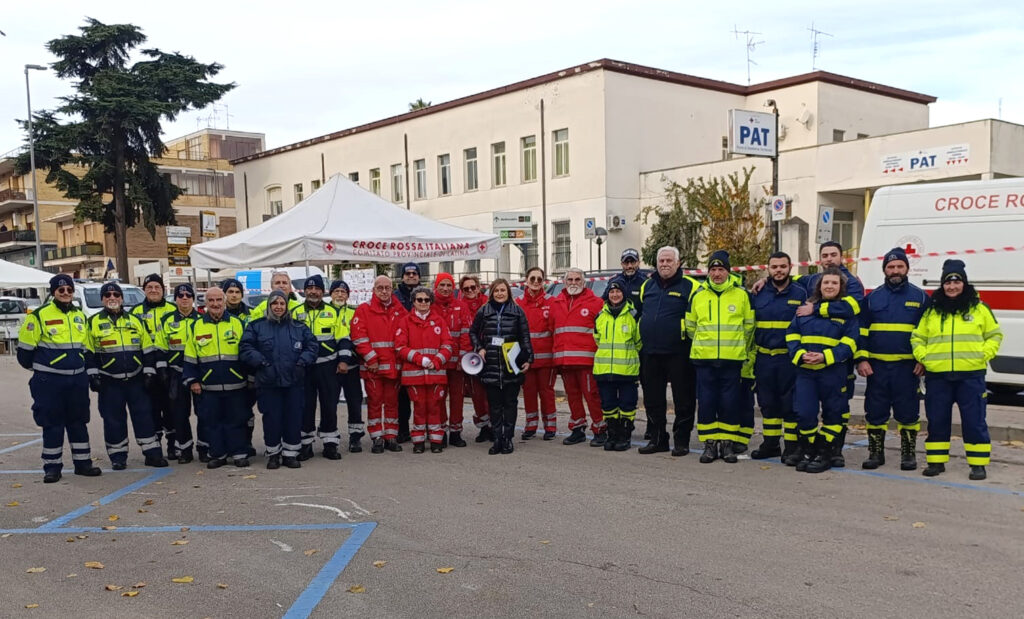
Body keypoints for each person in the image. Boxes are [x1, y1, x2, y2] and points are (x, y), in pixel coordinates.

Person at [911, 259, 1002, 481]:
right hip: (938, 376)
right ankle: (936, 461)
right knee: (937, 419)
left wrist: (983, 354)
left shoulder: (979, 309)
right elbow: (917, 337)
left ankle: (978, 464)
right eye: (947, 282)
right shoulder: (932, 311)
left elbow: (995, 335)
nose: (952, 287)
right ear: (942, 285)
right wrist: (926, 359)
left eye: (956, 281)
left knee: (974, 421)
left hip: (970, 376)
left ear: (964, 283)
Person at [16, 274, 101, 483]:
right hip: (49, 382)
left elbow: (86, 348)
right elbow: (24, 353)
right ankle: (52, 467)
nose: (65, 293)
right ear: (53, 292)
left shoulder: (79, 316)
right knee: (52, 423)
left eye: (69, 290)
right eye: (61, 290)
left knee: (78, 422)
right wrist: (44, 370)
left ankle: (83, 463)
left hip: (76, 380)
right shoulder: (38, 316)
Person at [857, 247, 930, 470]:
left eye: (900, 266)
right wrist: (861, 359)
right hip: (876, 368)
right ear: (884, 270)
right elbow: (860, 330)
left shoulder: (920, 298)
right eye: (890, 267)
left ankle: (908, 455)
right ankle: (875, 453)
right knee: (875, 412)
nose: (895, 270)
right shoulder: (872, 298)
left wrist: (923, 361)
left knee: (908, 413)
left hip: (907, 368)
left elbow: (929, 332)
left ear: (907, 268)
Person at [85, 282, 167, 469]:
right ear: (102, 300)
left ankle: (152, 454)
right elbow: (88, 353)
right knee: (113, 419)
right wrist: (93, 376)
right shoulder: (93, 323)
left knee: (144, 417)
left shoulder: (135, 321)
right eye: (108, 295)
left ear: (121, 298)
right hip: (109, 381)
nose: (112, 298)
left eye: (116, 294)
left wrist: (149, 373)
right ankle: (118, 456)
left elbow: (147, 349)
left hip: (136, 379)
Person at [785, 268, 859, 473]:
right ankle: (810, 450)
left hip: (833, 372)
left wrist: (825, 357)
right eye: (826, 282)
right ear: (819, 286)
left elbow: (851, 343)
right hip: (806, 371)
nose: (829, 286)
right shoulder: (805, 310)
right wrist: (800, 355)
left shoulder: (846, 314)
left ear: (840, 287)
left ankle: (824, 453)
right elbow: (792, 334)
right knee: (804, 413)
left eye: (834, 283)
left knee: (834, 414)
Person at [685, 251, 755, 463]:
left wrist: (734, 346)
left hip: (731, 360)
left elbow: (749, 326)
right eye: (713, 270)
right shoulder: (698, 295)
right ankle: (709, 444)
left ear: (728, 271)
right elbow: (690, 327)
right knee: (706, 402)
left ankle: (727, 444)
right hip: (704, 360)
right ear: (708, 272)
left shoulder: (742, 295)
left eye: (721, 269)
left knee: (729, 403)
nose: (717, 274)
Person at [240, 290, 318, 469]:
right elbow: (245, 347)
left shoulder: (299, 327)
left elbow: (312, 345)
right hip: (268, 383)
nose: (278, 307)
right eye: (275, 303)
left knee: (293, 418)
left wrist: (301, 363)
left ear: (287, 306)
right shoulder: (257, 326)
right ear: (269, 305)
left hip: (294, 382)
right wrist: (260, 362)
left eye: (282, 303)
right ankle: (273, 454)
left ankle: (291, 454)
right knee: (272, 419)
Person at [637, 246, 700, 456]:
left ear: (678, 263)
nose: (664, 264)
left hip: (679, 353)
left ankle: (681, 441)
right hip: (651, 352)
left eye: (669, 261)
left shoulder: (691, 286)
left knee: (684, 399)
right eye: (661, 261)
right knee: (653, 400)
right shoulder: (648, 286)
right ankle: (657, 439)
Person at [182, 286, 250, 468]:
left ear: (225, 301)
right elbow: (190, 355)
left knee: (237, 420)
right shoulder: (196, 326)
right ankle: (218, 455)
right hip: (208, 386)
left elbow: (247, 352)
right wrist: (192, 380)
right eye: (211, 301)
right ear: (205, 303)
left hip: (236, 384)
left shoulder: (237, 323)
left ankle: (239, 453)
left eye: (219, 300)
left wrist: (249, 378)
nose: (215, 304)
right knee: (212, 422)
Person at [749, 252, 807, 461]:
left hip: (788, 358)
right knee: (767, 403)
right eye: (774, 267)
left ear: (790, 267)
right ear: (768, 269)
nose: (779, 270)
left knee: (790, 404)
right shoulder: (759, 292)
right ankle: (770, 444)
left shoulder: (801, 292)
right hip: (764, 358)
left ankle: (791, 446)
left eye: (783, 266)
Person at [470, 278, 533, 455]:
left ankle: (508, 439)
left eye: (503, 290)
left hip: (511, 364)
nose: (499, 293)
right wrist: (480, 348)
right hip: (490, 365)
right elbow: (473, 332)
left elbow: (525, 338)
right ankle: (497, 438)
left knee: (510, 404)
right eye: (496, 290)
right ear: (492, 293)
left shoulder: (517, 312)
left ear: (508, 292)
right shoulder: (484, 311)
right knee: (495, 406)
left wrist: (529, 359)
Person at [351, 275, 408, 453]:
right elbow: (359, 338)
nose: (384, 291)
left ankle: (391, 436)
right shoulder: (363, 310)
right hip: (373, 368)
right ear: (373, 290)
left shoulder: (400, 310)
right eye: (380, 288)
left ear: (392, 289)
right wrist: (371, 359)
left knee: (392, 403)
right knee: (375, 403)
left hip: (394, 368)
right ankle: (376, 437)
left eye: (387, 288)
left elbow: (405, 336)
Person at [291, 275, 345, 461]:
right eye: (309, 288)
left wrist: (343, 360)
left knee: (329, 405)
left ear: (323, 292)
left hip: (328, 367)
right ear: (304, 291)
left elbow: (343, 338)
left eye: (317, 289)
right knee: (305, 406)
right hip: (304, 369)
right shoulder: (295, 312)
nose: (313, 292)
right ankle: (305, 445)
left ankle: (330, 444)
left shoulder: (333, 312)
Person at [551, 267, 607, 446]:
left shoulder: (596, 303)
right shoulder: (556, 303)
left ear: (583, 283)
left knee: (592, 395)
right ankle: (577, 428)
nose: (573, 283)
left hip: (587, 360)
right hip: (565, 361)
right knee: (572, 395)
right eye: (570, 280)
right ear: (564, 282)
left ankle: (600, 428)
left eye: (577, 280)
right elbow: (552, 330)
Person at [395, 286, 454, 453]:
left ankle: (436, 442)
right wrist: (420, 359)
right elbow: (400, 347)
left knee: (435, 408)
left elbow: (448, 345)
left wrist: (436, 361)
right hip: (414, 376)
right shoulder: (405, 322)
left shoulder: (439, 321)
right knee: (419, 408)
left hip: (436, 374)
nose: (423, 303)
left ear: (430, 302)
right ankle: (418, 442)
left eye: (426, 300)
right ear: (413, 302)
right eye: (419, 300)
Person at [157, 283, 205, 463]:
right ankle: (184, 450)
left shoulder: (202, 319)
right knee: (179, 414)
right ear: (175, 299)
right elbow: (161, 348)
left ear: (193, 299)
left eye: (188, 295)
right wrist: (162, 371)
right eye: (180, 295)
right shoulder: (166, 320)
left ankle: (203, 449)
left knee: (203, 414)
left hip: (199, 375)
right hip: (176, 374)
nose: (184, 298)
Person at [131, 273, 178, 459]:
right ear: (144, 290)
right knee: (151, 409)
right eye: (149, 287)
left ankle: (173, 446)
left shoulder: (173, 309)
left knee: (171, 408)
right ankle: (155, 445)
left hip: (169, 367)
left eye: (157, 287)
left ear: (163, 290)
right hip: (145, 368)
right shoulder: (134, 312)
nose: (153, 290)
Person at [593, 280, 641, 452]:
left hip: (627, 370)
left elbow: (638, 342)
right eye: (612, 292)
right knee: (608, 404)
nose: (615, 295)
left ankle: (624, 435)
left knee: (627, 405)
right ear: (607, 294)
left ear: (624, 294)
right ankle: (612, 434)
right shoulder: (600, 316)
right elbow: (597, 339)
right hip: (604, 369)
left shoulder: (633, 315)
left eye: (618, 292)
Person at [516, 266, 558, 440]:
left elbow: (556, 330)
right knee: (529, 393)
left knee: (546, 393)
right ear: (526, 280)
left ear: (544, 282)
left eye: (539, 279)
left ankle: (550, 427)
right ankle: (531, 425)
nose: (535, 282)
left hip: (547, 360)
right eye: (532, 279)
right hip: (526, 360)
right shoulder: (517, 303)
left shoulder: (552, 302)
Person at [222, 277, 258, 457]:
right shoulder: (218, 314)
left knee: (246, 411)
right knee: (228, 411)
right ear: (224, 294)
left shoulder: (251, 315)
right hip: (225, 371)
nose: (234, 295)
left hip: (246, 370)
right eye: (230, 292)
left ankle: (247, 443)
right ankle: (229, 445)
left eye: (237, 292)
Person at [432, 273, 469, 447]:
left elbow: (465, 333)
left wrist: (463, 357)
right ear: (436, 287)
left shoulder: (460, 306)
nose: (446, 289)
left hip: (456, 363)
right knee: (438, 398)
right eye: (442, 285)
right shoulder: (428, 305)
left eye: (449, 285)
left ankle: (455, 432)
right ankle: (440, 431)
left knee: (457, 398)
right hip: (437, 363)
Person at [331, 280, 365, 453]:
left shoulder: (355, 312)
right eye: (336, 291)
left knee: (354, 401)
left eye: (343, 292)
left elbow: (360, 336)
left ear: (348, 295)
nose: (339, 294)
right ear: (331, 294)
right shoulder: (324, 311)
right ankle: (331, 439)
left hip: (351, 365)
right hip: (330, 367)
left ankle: (355, 437)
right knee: (330, 404)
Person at [459, 274, 491, 441]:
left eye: (473, 287)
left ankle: (495, 425)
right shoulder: (459, 306)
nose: (470, 291)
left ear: (479, 287)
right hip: (470, 358)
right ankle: (484, 427)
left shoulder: (488, 302)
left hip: (489, 354)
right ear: (461, 291)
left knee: (492, 393)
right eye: (466, 289)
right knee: (477, 394)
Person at [394, 263, 421, 443]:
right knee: (401, 397)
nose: (411, 276)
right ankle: (402, 430)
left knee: (422, 397)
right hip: (401, 353)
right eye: (408, 273)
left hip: (422, 353)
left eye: (414, 273)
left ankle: (422, 429)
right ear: (402, 276)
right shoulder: (395, 297)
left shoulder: (424, 296)